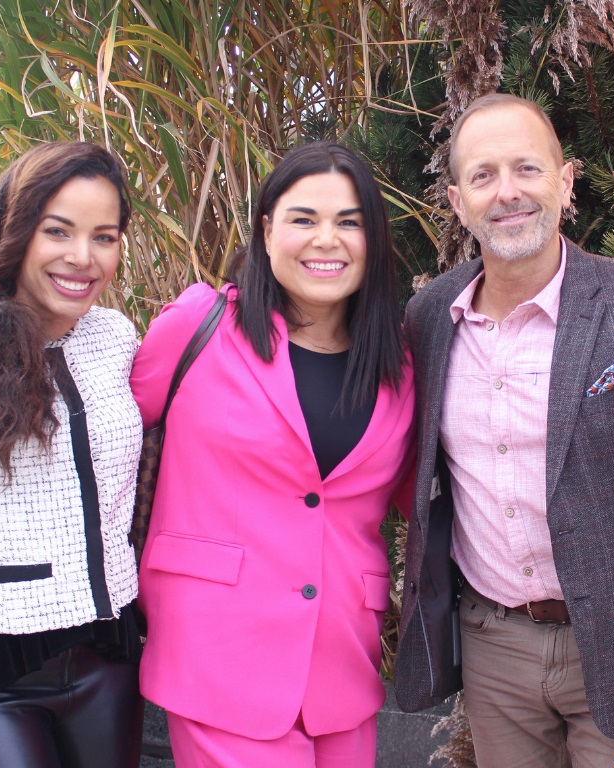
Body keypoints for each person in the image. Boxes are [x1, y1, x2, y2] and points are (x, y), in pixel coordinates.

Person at [393, 93, 614, 768]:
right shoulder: (430, 317)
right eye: (483, 176)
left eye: (527, 169)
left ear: (565, 181)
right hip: (494, 648)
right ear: (456, 201)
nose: (507, 193)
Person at [130, 141, 415, 768]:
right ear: (265, 230)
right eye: (303, 219)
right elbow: (105, 447)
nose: (327, 240)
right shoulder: (195, 328)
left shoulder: (399, 363)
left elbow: (425, 496)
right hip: (216, 656)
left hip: (344, 664)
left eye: (350, 221)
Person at [0, 142, 144, 767]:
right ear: (15, 233)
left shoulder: (114, 337)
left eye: (105, 236)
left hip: (107, 655)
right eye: (58, 231)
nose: (82, 257)